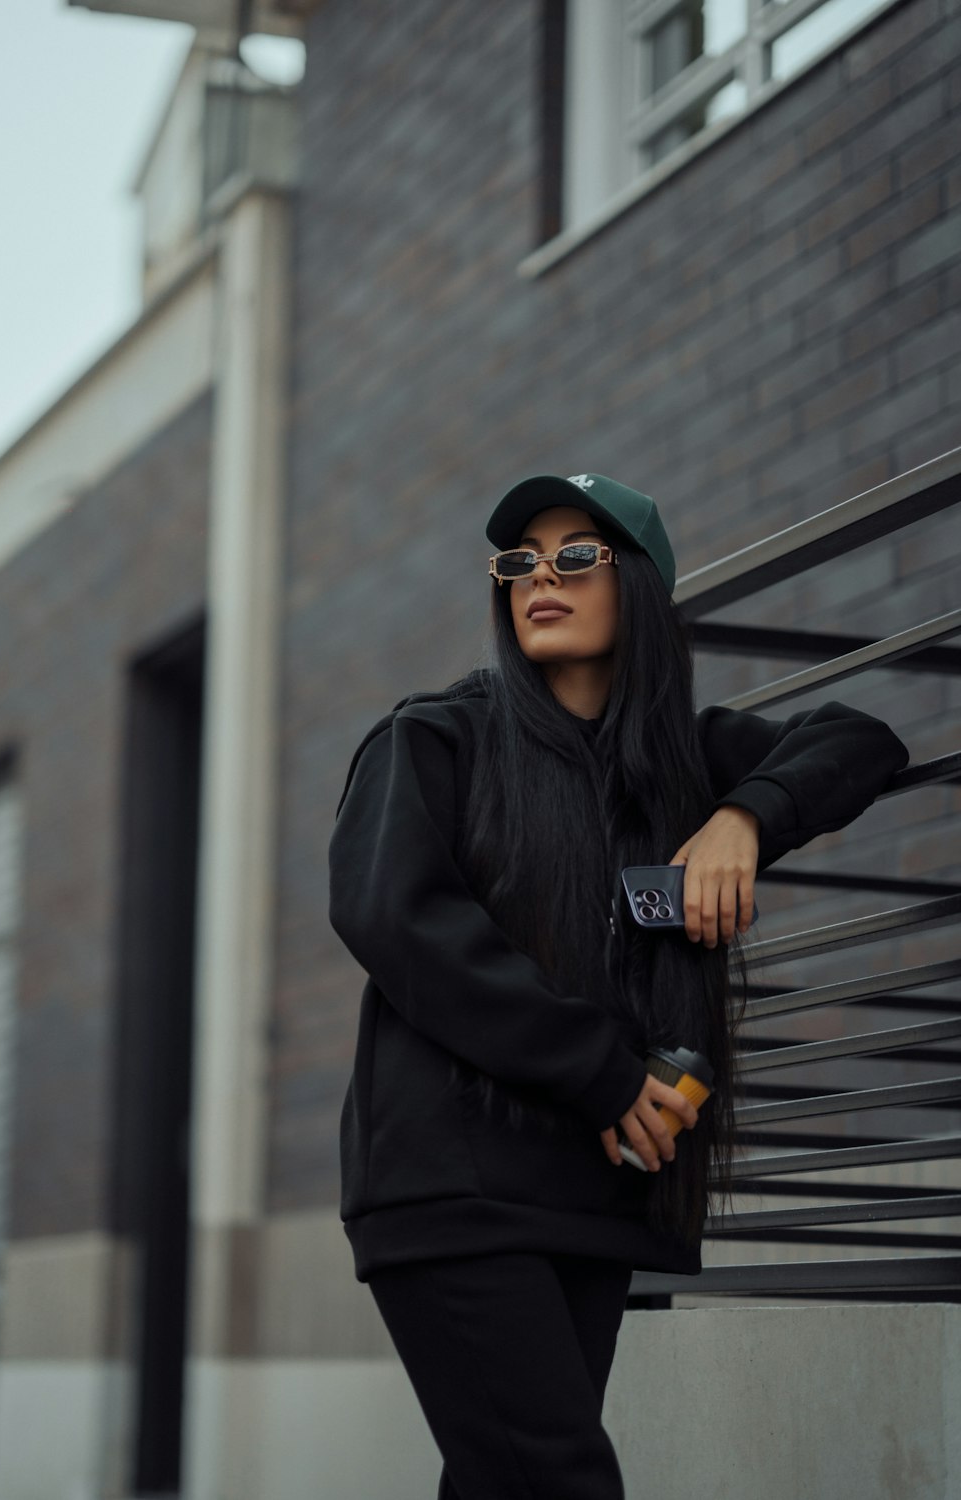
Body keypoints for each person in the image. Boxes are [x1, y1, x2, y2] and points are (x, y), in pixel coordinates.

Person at [328, 472, 910, 1500]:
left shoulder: (681, 762)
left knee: (507, 1481)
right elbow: (395, 918)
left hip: (597, 1194)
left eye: (577, 555)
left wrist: (744, 818)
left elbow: (860, 738)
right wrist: (597, 1070)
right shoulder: (436, 739)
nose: (538, 578)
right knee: (555, 1479)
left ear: (637, 584)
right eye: (518, 562)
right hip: (457, 1187)